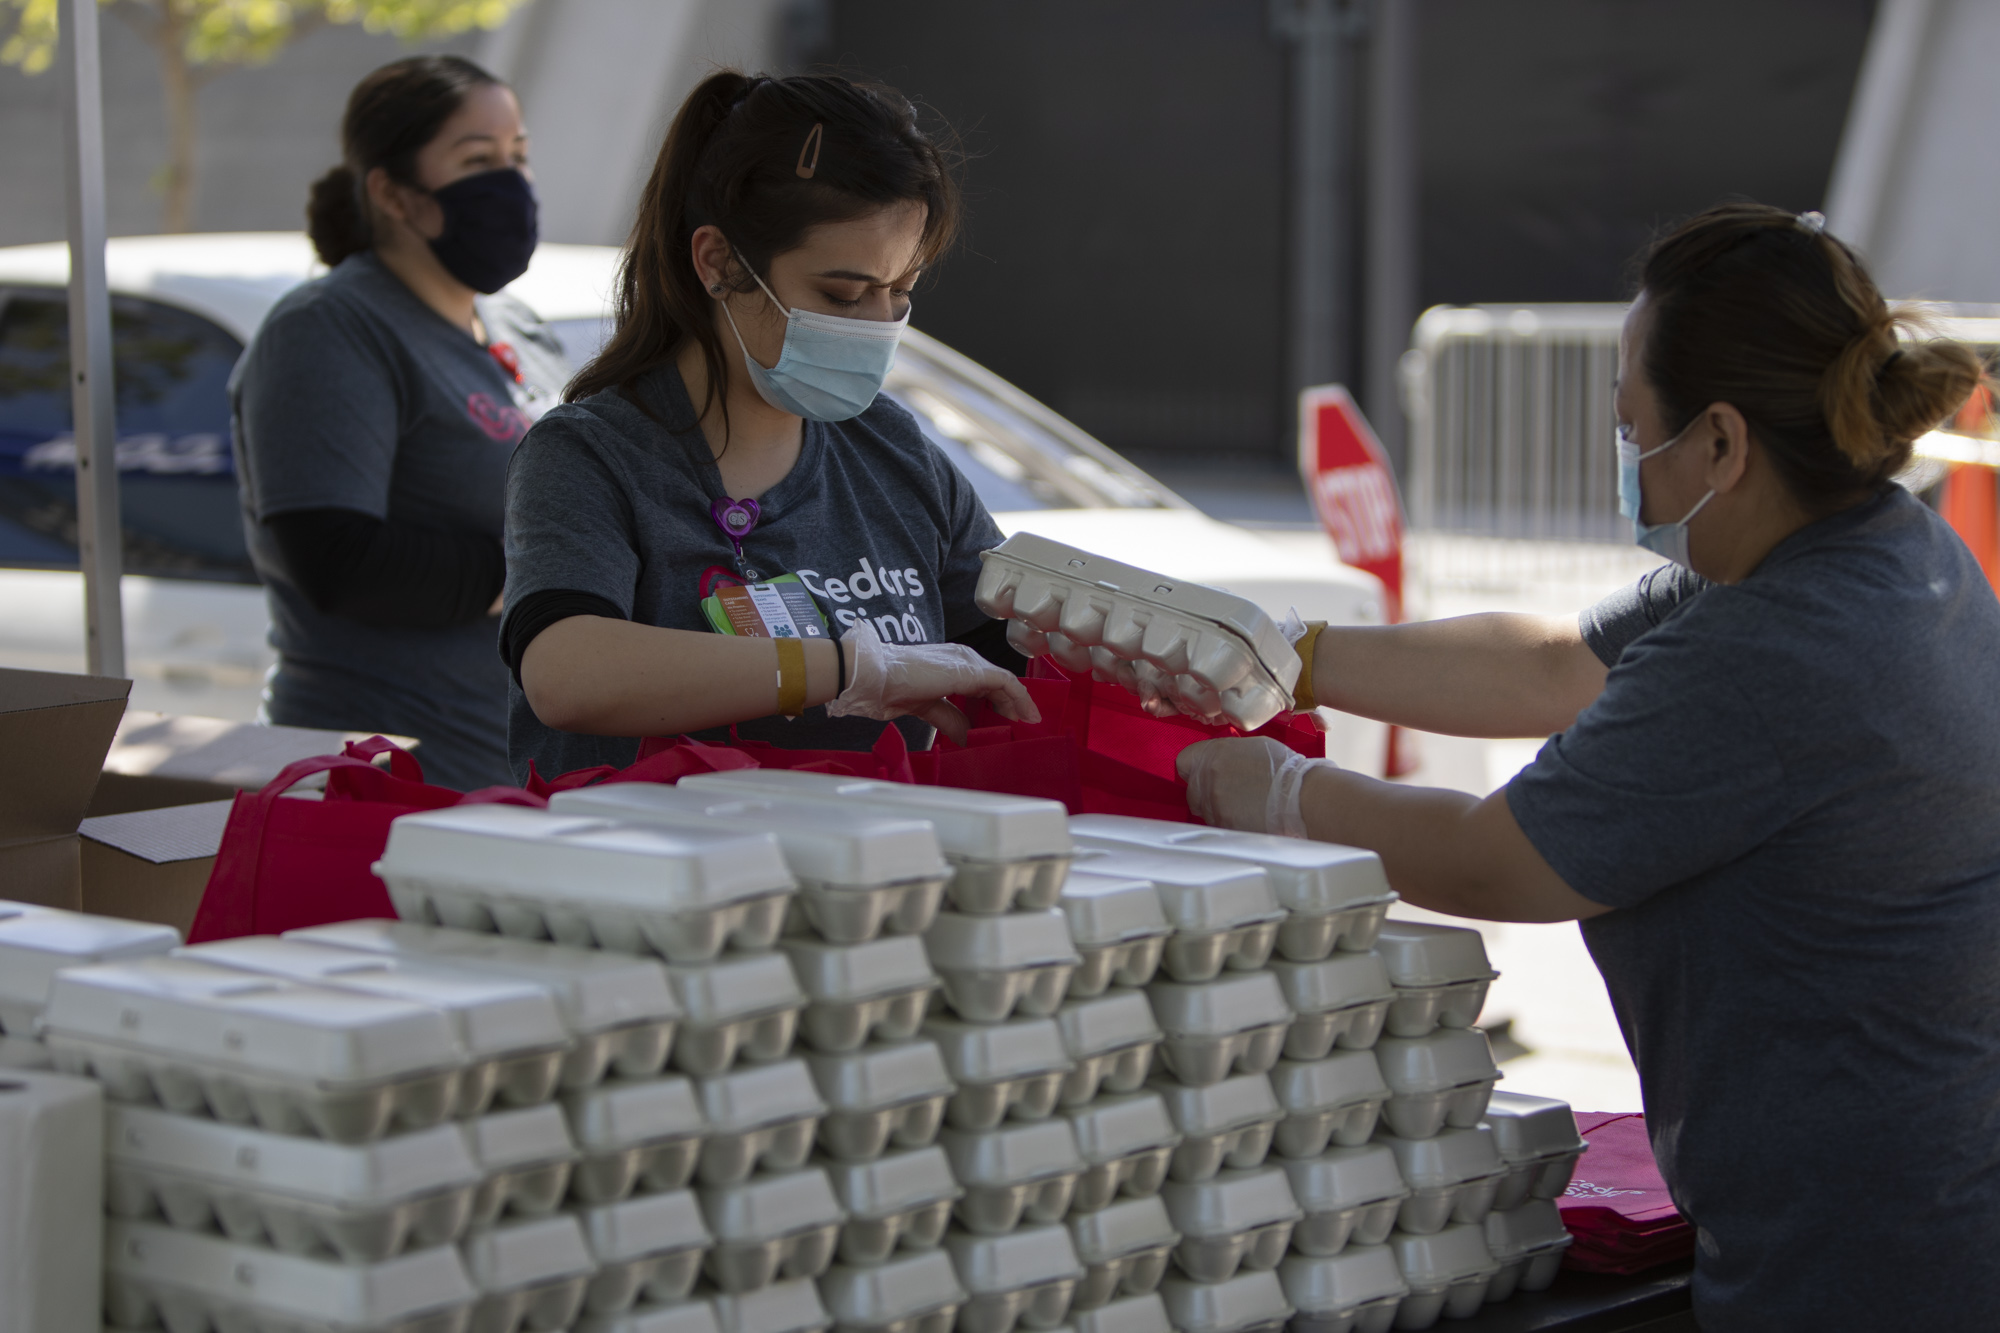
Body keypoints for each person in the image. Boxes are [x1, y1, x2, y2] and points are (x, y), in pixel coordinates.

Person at [1178, 203, 2000, 1328]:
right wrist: (1289, 658)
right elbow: (1555, 665)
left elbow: (1498, 862)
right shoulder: (1870, 542)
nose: (1625, 459)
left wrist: (1274, 793)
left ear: (1719, 440)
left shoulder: (1776, 646)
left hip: (1871, 1250)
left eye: (1631, 425)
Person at [501, 71, 1034, 783]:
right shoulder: (592, 455)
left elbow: (1018, 659)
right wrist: (852, 666)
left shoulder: (893, 451)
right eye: (840, 294)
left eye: (899, 291)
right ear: (718, 261)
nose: (878, 324)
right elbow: (567, 674)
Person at [231, 55, 566, 791]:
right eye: (477, 160)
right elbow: (339, 561)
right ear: (393, 193)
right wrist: (552, 573)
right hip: (385, 776)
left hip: (517, 776)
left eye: (518, 156)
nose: (510, 182)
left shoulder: (517, 327)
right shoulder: (330, 329)